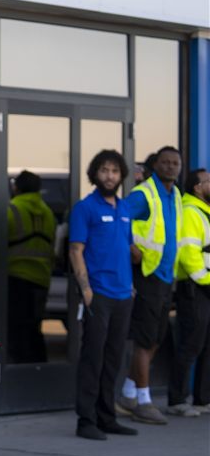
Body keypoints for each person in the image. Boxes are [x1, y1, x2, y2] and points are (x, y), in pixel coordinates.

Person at [69, 150, 149, 440]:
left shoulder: (125, 208)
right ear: (95, 174)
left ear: (121, 176)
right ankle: (86, 421)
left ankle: (107, 417)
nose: (110, 176)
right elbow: (76, 250)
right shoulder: (85, 208)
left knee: (114, 357)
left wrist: (130, 284)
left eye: (114, 171)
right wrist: (86, 290)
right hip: (98, 294)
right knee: (93, 357)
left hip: (123, 295)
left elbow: (128, 249)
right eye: (104, 170)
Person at [118, 146, 183, 425]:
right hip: (147, 275)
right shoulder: (145, 193)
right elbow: (120, 218)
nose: (171, 167)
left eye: (175, 163)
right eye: (166, 162)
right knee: (145, 340)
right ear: (155, 165)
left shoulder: (176, 194)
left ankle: (129, 392)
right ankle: (143, 401)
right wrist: (130, 245)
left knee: (156, 338)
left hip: (166, 277)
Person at [166, 168, 210, 415]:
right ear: (197, 187)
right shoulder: (192, 212)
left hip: (206, 286)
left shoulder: (205, 212)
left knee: (206, 345)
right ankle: (177, 400)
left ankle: (203, 399)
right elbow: (189, 252)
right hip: (196, 287)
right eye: (209, 181)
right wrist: (205, 279)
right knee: (191, 345)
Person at [6, 170, 57, 364]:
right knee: (34, 326)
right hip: (42, 278)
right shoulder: (48, 212)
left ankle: (20, 368)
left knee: (17, 328)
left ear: (16, 187)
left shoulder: (12, 209)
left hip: (17, 276)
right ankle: (38, 365)